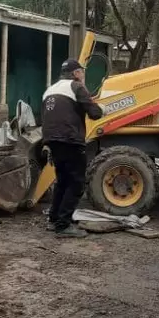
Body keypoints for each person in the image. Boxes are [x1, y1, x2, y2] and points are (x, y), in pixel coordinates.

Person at [41, 59, 103, 238]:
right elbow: (95, 113)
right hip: (70, 139)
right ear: (76, 73)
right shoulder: (76, 87)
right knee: (76, 182)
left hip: (52, 140)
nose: (83, 76)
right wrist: (102, 108)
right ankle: (63, 225)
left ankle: (54, 220)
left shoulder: (50, 90)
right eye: (82, 72)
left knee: (62, 181)